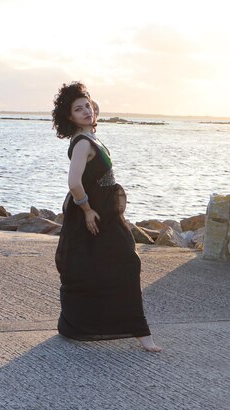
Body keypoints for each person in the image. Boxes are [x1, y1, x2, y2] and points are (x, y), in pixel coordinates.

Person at [51, 82, 161, 352]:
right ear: (70, 117)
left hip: (104, 213)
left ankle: (77, 326)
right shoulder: (81, 144)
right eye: (79, 109)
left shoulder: (91, 137)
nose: (87, 111)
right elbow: (74, 182)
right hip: (94, 215)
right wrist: (88, 211)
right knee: (124, 264)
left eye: (87, 105)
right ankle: (140, 332)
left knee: (98, 267)